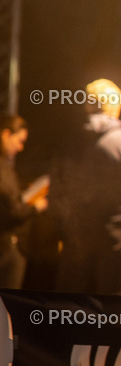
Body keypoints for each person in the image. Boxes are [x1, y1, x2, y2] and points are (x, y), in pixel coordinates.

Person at [50, 78, 121, 294]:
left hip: (75, 243)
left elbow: (55, 191)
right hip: (115, 244)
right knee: (110, 308)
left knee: (72, 307)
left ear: (88, 105)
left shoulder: (67, 142)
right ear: (115, 106)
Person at [0, 115, 46, 289]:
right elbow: (11, 209)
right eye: (19, 141)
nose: (21, 147)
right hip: (7, 247)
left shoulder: (6, 166)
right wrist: (35, 207)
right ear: (6, 134)